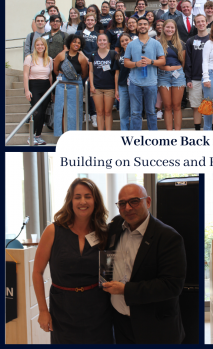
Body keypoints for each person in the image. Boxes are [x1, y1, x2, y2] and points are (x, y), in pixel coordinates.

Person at [102, 183, 186, 344]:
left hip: (155, 328)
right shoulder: (115, 227)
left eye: (134, 201)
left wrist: (126, 290)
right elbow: (106, 255)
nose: (127, 208)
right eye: (122, 203)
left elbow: (172, 285)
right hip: (120, 324)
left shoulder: (168, 237)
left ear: (147, 202)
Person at [32, 178, 113, 344]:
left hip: (98, 311)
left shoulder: (104, 232)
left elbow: (107, 274)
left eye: (88, 196)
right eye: (77, 197)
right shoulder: (53, 230)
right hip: (62, 311)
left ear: (95, 200)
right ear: (70, 200)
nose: (82, 201)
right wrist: (43, 310)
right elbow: (37, 272)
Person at [123, 17, 166, 130]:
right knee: (135, 113)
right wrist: (136, 64)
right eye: (140, 24)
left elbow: (162, 61)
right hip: (135, 82)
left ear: (148, 27)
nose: (142, 26)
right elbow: (126, 62)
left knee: (151, 112)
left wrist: (151, 61)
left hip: (151, 82)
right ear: (137, 26)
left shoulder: (156, 43)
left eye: (145, 24)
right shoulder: (131, 44)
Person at [53, 34, 88, 136]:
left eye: (78, 42)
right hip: (61, 84)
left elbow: (84, 73)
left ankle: (73, 135)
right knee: (61, 110)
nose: (76, 44)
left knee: (74, 111)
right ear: (69, 43)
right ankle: (61, 135)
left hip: (75, 84)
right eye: (74, 42)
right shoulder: (61, 55)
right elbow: (55, 70)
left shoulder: (82, 58)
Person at [157, 20, 187, 131]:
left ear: (175, 29)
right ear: (163, 28)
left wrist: (178, 72)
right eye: (168, 27)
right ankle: (169, 132)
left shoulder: (181, 43)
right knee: (167, 106)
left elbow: (183, 62)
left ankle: (177, 132)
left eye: (172, 27)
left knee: (177, 106)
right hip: (163, 75)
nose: (170, 29)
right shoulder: (157, 43)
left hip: (177, 75)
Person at [23, 37, 53, 145]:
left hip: (45, 86)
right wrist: (27, 90)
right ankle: (30, 137)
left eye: (42, 45)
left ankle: (38, 136)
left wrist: (51, 91)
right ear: (35, 46)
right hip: (33, 85)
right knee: (38, 112)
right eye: (38, 45)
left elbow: (50, 76)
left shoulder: (49, 59)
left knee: (43, 113)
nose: (40, 47)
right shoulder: (29, 58)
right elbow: (25, 74)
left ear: (45, 46)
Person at [75, 12, 100, 126]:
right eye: (88, 20)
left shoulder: (98, 35)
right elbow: (76, 48)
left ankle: (93, 114)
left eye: (92, 20)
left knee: (91, 89)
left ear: (95, 22)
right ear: (85, 22)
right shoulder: (79, 33)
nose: (90, 22)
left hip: (94, 65)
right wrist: (85, 58)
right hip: (81, 65)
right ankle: (85, 113)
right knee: (82, 90)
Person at [185, 14, 210, 130]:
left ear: (206, 22)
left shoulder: (212, 39)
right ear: (195, 25)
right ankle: (197, 130)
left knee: (210, 104)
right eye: (198, 22)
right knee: (196, 106)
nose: (201, 23)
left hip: (210, 78)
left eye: (202, 21)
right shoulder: (190, 41)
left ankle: (211, 129)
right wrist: (188, 78)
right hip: (195, 78)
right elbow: (188, 61)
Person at [89, 34, 117, 131]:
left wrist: (116, 89)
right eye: (100, 40)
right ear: (97, 42)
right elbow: (91, 71)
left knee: (108, 112)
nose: (102, 42)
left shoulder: (113, 53)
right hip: (97, 87)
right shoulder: (93, 54)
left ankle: (107, 134)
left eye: (104, 40)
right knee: (99, 112)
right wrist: (91, 85)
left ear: (107, 42)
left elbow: (116, 73)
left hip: (110, 87)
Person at [42, 14, 69, 85]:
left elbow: (66, 49)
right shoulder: (44, 36)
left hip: (59, 64)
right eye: (53, 21)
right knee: (47, 84)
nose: (55, 23)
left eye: (57, 21)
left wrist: (56, 58)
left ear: (60, 23)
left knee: (57, 85)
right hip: (45, 63)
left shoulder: (64, 35)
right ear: (50, 23)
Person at [114, 33, 132, 131]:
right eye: (122, 41)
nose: (125, 42)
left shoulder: (136, 53)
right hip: (122, 86)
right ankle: (124, 133)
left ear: (131, 41)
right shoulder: (118, 56)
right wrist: (116, 90)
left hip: (134, 85)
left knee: (134, 111)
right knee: (123, 111)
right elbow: (116, 74)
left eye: (126, 40)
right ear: (120, 44)